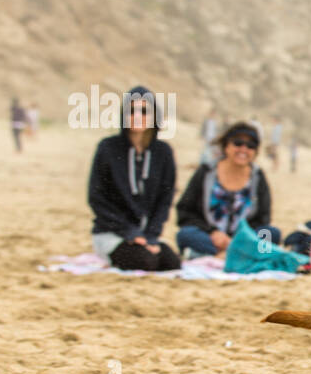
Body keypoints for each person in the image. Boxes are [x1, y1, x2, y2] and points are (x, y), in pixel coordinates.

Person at [87, 85, 181, 271]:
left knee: (171, 263)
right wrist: (130, 233)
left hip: (147, 233)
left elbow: (165, 199)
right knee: (145, 262)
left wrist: (151, 236)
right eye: (132, 111)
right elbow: (96, 198)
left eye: (144, 111)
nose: (138, 116)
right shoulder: (107, 148)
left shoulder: (163, 152)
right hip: (112, 232)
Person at [176, 121, 281, 259]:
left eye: (251, 145)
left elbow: (263, 218)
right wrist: (213, 232)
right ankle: (237, 255)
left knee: (270, 233)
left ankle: (217, 255)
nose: (243, 149)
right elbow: (184, 212)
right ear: (226, 146)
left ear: (255, 151)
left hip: (245, 238)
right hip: (210, 237)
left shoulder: (258, 176)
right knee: (185, 235)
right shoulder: (206, 172)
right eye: (238, 143)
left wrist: (240, 238)